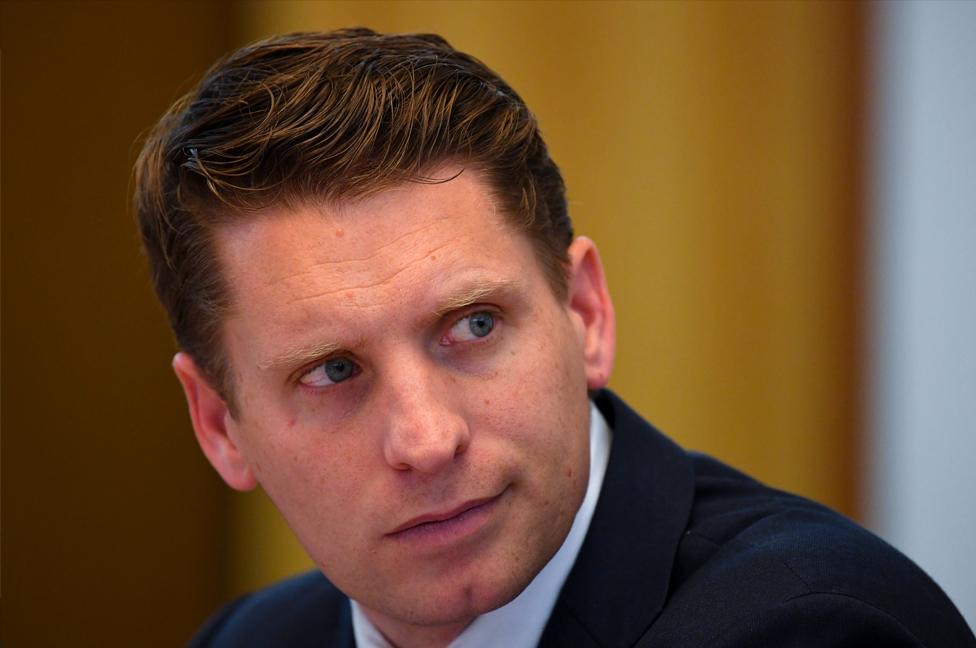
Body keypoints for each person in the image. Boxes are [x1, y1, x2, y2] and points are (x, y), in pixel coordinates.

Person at [134, 28, 974, 648]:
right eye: (334, 370)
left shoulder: (813, 628)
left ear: (586, 314)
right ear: (219, 426)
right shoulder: (249, 641)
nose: (427, 440)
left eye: (473, 325)